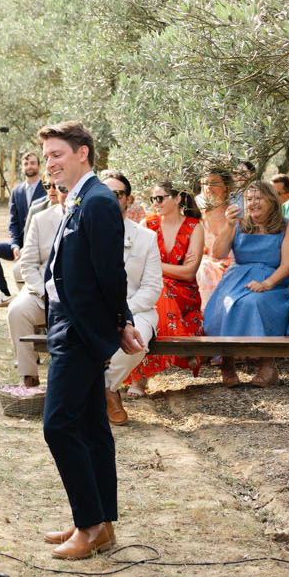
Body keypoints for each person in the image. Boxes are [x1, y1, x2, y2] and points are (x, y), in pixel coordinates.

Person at [35, 121, 142, 561]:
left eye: (57, 154)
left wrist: (120, 322)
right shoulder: (79, 199)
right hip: (66, 322)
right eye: (46, 157)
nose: (50, 163)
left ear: (83, 152)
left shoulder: (98, 201)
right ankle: (101, 523)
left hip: (80, 329)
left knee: (58, 425)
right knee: (94, 425)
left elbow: (110, 273)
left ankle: (90, 524)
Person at [113, 180, 204, 404]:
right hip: (154, 289)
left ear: (178, 199)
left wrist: (154, 265)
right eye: (153, 198)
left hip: (183, 293)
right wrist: (167, 269)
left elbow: (190, 273)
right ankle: (138, 375)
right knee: (157, 295)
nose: (155, 203)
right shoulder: (148, 224)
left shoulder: (195, 227)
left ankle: (140, 378)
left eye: (160, 198)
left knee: (160, 294)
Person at [200, 182, 289, 386]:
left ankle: (267, 364)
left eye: (258, 198)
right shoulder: (238, 224)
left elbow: (288, 264)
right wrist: (228, 225)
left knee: (255, 302)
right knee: (226, 304)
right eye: (249, 199)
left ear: (271, 200)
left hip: (273, 282)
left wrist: (267, 284)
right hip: (237, 279)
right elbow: (218, 253)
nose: (253, 203)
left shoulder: (287, 226)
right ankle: (227, 362)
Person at [97, 171, 165, 424]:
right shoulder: (86, 233)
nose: (111, 199)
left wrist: (121, 312)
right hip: (95, 308)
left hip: (137, 309)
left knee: (136, 343)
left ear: (129, 199)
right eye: (105, 193)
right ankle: (106, 394)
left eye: (118, 194)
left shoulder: (146, 238)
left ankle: (104, 388)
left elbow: (152, 287)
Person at [4, 179, 66, 388]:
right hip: (42, 291)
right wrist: (42, 293)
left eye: (59, 186)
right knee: (16, 311)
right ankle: (28, 374)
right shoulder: (40, 218)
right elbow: (28, 264)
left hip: (75, 293)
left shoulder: (87, 214)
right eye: (49, 186)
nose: (53, 191)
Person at [195, 165, 237, 309]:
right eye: (205, 183)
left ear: (225, 186)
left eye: (213, 183)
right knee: (204, 268)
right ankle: (208, 318)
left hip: (234, 266)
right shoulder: (198, 214)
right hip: (205, 267)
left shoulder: (236, 211)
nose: (208, 187)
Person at [7, 151, 48, 258]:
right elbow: (13, 222)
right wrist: (15, 245)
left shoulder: (48, 189)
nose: (29, 166)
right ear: (21, 168)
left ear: (39, 166)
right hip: (20, 243)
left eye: (32, 163)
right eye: (26, 164)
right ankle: (0, 276)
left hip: (40, 244)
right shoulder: (16, 192)